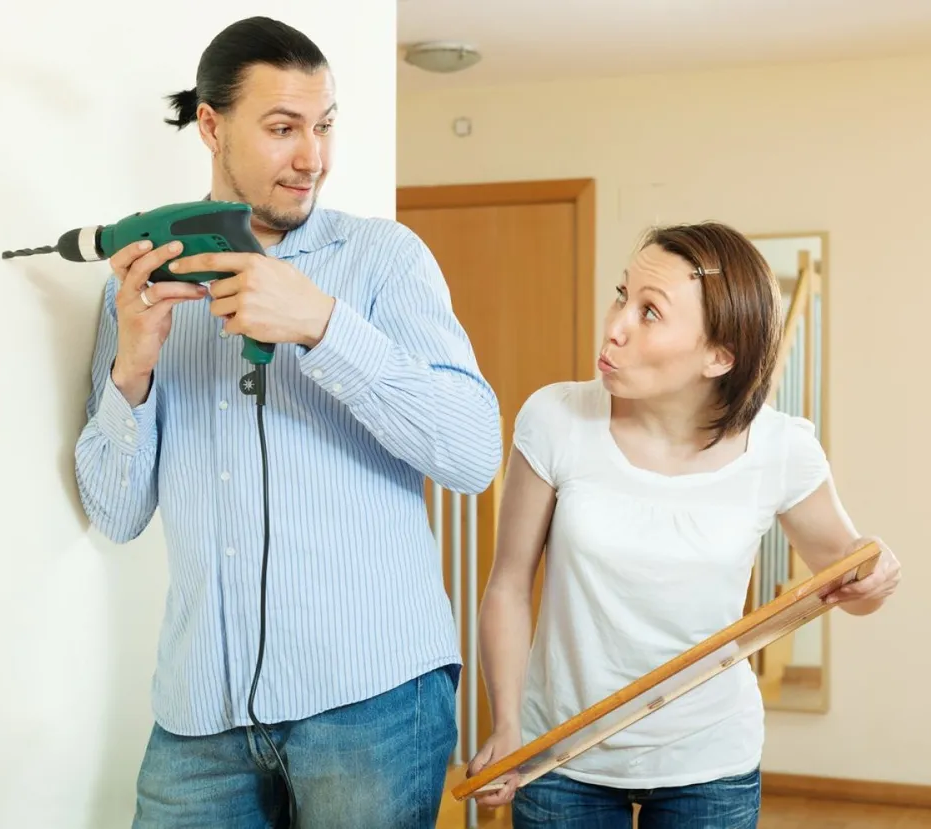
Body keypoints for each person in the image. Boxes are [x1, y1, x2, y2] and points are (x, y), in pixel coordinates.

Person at [73, 15, 502, 829]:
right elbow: (116, 512)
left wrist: (324, 326)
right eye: (282, 128)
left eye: (324, 124)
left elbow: (473, 452)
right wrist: (132, 368)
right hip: (201, 711)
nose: (314, 156)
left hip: (372, 702)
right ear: (211, 124)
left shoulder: (384, 260)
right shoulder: (143, 285)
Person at [466, 221, 901, 828]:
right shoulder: (556, 418)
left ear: (718, 355)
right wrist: (508, 725)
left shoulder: (781, 448)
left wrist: (875, 575)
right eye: (623, 295)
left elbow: (850, 579)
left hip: (711, 761)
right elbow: (509, 585)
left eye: (649, 313)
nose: (615, 325)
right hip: (559, 757)